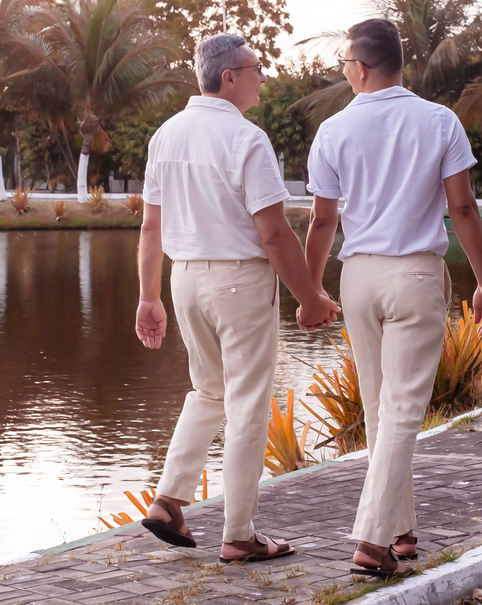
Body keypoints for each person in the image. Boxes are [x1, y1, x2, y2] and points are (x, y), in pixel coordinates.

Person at [302, 18, 482, 578]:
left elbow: (322, 220)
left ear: (361, 67)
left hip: (358, 276)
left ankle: (400, 533)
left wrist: (312, 288)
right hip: (415, 274)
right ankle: (371, 541)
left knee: (381, 408)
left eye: (344, 61)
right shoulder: (439, 121)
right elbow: (462, 208)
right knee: (401, 412)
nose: (343, 70)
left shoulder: (333, 130)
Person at [135, 33, 340, 563]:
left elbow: (150, 227)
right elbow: (273, 233)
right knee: (246, 403)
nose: (262, 78)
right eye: (255, 69)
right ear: (229, 77)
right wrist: (312, 297)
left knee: (208, 392)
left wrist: (148, 297)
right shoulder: (246, 138)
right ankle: (240, 534)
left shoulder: (165, 135)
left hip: (185, 280)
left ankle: (167, 501)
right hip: (239, 282)